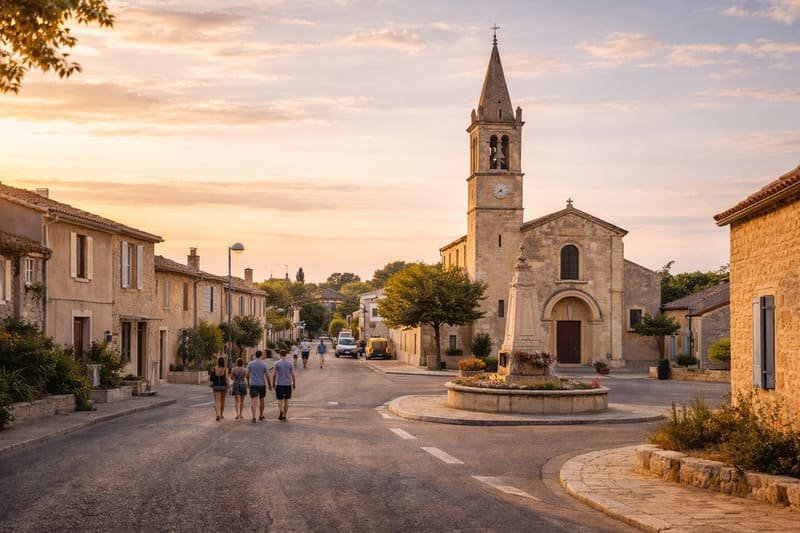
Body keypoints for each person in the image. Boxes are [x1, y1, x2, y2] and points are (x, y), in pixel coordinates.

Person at [246, 350, 272, 423]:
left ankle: (254, 417)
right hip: (261, 384)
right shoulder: (264, 364)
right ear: (261, 355)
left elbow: (247, 375)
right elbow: (267, 376)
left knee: (253, 401)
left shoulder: (250, 364)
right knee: (262, 400)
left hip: (253, 384)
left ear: (255, 355)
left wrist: (248, 382)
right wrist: (269, 385)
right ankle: (261, 415)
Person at [272, 349, 296, 421]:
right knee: (286, 400)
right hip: (288, 384)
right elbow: (293, 374)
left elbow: (274, 374)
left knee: (280, 400)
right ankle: (285, 415)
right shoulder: (290, 363)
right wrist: (294, 383)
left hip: (280, 384)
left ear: (280, 355)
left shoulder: (277, 363)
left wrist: (273, 383)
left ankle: (281, 411)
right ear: (286, 355)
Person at [210, 356, 229, 421]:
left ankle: (217, 415)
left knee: (217, 401)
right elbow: (226, 378)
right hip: (223, 386)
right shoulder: (226, 369)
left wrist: (211, 384)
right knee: (222, 401)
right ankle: (221, 415)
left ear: (218, 361)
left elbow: (211, 377)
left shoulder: (214, 368)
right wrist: (228, 386)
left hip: (216, 386)